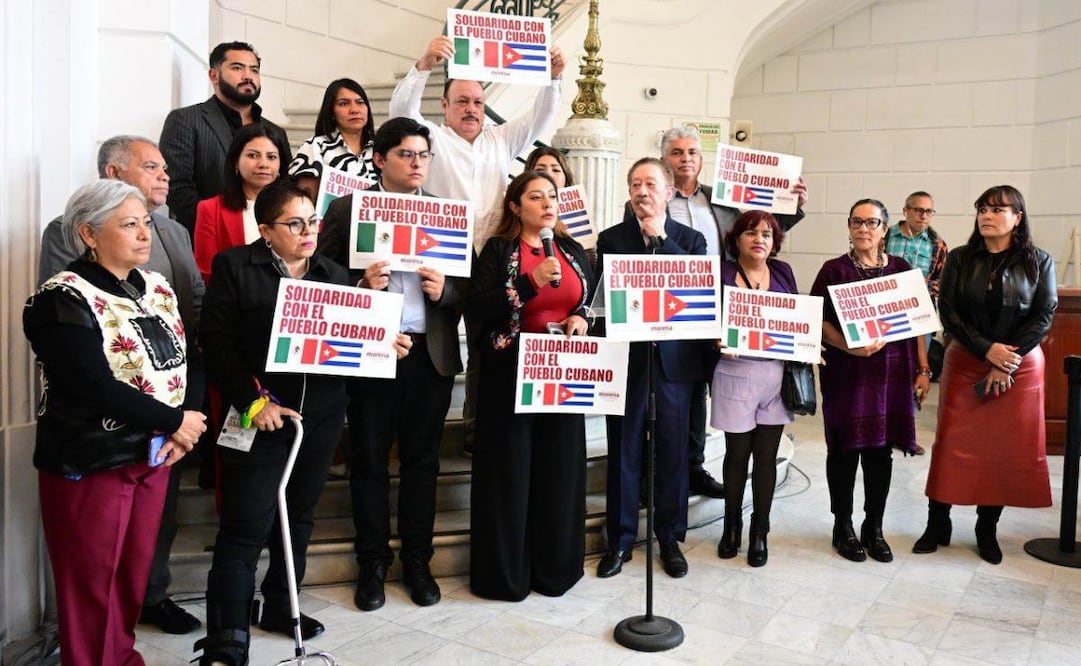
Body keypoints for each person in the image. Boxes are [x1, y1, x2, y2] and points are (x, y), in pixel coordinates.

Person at [24, 179, 207, 665]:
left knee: (130, 574)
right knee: (90, 582)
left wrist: (186, 423)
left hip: (156, 452)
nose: (144, 234)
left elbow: (189, 359)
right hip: (92, 459)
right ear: (88, 233)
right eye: (128, 225)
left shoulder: (159, 287)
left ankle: (121, 658)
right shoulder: (61, 297)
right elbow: (93, 386)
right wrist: (176, 421)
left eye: (145, 222)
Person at [195, 180, 355, 663]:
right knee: (245, 524)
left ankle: (282, 606)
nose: (308, 232)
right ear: (265, 230)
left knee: (299, 517)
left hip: (320, 417)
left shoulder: (333, 274)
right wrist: (252, 401)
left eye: (313, 221)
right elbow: (216, 343)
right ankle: (227, 635)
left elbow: (348, 343)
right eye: (294, 224)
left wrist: (381, 347)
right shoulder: (235, 268)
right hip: (259, 416)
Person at [390, 35, 565, 452]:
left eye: (478, 102)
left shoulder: (501, 140)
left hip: (491, 259)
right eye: (462, 101)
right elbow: (400, 113)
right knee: (437, 346)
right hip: (437, 261)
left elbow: (540, 120)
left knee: (489, 345)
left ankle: (477, 429)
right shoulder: (429, 138)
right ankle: (409, 432)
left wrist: (553, 79)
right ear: (444, 107)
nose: (471, 109)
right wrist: (424, 65)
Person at [340, 118, 466, 612]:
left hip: (428, 356)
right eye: (406, 155)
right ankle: (371, 563)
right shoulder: (351, 210)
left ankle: (418, 560)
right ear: (380, 160)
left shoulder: (445, 213)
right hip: (373, 351)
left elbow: (467, 288)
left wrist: (446, 290)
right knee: (368, 461)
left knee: (423, 463)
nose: (417, 164)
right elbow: (324, 280)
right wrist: (359, 286)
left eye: (423, 156)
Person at [659, 125, 809, 499]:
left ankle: (694, 468)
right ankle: (664, 473)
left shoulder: (721, 201)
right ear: (665, 159)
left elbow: (759, 232)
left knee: (706, 393)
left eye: (692, 152)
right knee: (678, 395)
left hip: (728, 311)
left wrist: (792, 203)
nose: (685, 159)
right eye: (677, 152)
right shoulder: (654, 200)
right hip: (674, 311)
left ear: (701, 159)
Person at [915, 185, 1057, 564]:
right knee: (952, 445)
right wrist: (986, 349)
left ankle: (986, 529)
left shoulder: (1039, 261)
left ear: (1018, 218)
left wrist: (1004, 358)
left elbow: (1044, 315)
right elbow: (948, 311)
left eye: (997, 209)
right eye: (982, 209)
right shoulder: (961, 258)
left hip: (1018, 367)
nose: (987, 215)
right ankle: (937, 523)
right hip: (967, 361)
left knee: (1000, 451)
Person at [468, 170, 593, 600]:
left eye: (551, 196)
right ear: (516, 207)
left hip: (562, 377)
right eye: (535, 197)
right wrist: (530, 281)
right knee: (510, 476)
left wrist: (581, 318)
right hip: (511, 378)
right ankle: (505, 577)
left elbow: (589, 302)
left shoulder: (574, 250)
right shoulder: (499, 250)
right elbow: (479, 309)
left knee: (560, 474)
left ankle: (555, 570)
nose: (546, 203)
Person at [596, 158, 707, 580]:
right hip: (626, 362)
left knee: (673, 452)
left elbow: (699, 288)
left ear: (667, 192)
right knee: (624, 450)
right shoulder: (610, 239)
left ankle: (669, 538)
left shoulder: (691, 240)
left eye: (651, 184)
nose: (642, 191)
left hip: (674, 363)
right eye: (635, 184)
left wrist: (663, 240)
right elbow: (602, 302)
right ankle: (620, 541)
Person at [810, 199, 931, 563]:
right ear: (848, 227)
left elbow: (918, 324)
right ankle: (842, 526)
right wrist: (849, 346)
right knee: (845, 451)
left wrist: (923, 370)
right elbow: (816, 319)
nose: (864, 229)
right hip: (847, 374)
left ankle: (873, 527)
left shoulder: (901, 269)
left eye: (872, 223)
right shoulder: (833, 270)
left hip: (891, 375)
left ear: (884, 228)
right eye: (857, 222)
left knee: (881, 453)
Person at [713, 211, 797, 567]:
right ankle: (731, 524)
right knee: (736, 456)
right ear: (737, 239)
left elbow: (796, 317)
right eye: (751, 232)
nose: (759, 239)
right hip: (736, 370)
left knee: (767, 457)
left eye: (766, 233)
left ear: (774, 241)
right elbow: (704, 318)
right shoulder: (722, 274)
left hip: (775, 374)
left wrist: (808, 346)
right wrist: (714, 336)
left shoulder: (783, 272)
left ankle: (759, 530)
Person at [159, 41, 291, 236]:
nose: (248, 76)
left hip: (269, 239)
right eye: (237, 68)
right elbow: (177, 187)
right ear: (214, 75)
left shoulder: (275, 131)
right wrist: (217, 227)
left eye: (254, 70)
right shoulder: (186, 120)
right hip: (210, 239)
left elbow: (286, 186)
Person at [884, 190, 949, 455]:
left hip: (919, 313)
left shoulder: (938, 244)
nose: (924, 216)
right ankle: (880, 430)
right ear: (906, 211)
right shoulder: (885, 236)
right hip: (885, 311)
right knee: (885, 369)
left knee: (916, 372)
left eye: (929, 211)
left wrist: (920, 285)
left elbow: (943, 282)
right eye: (919, 210)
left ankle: (905, 433)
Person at [194, 123, 287, 283]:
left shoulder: (297, 208)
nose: (263, 164)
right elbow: (207, 272)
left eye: (271, 157)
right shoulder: (210, 209)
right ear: (236, 162)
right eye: (253, 155)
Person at [288, 78, 377, 199]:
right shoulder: (315, 146)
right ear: (331, 112)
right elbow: (304, 202)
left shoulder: (381, 149)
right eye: (344, 103)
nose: (354, 110)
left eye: (360, 102)